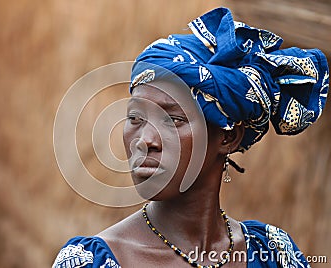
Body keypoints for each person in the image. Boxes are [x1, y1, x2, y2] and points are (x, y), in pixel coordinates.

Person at [52, 7, 329, 268]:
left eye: (173, 120)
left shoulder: (274, 255)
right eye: (135, 118)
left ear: (228, 138)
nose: (144, 140)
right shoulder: (95, 261)